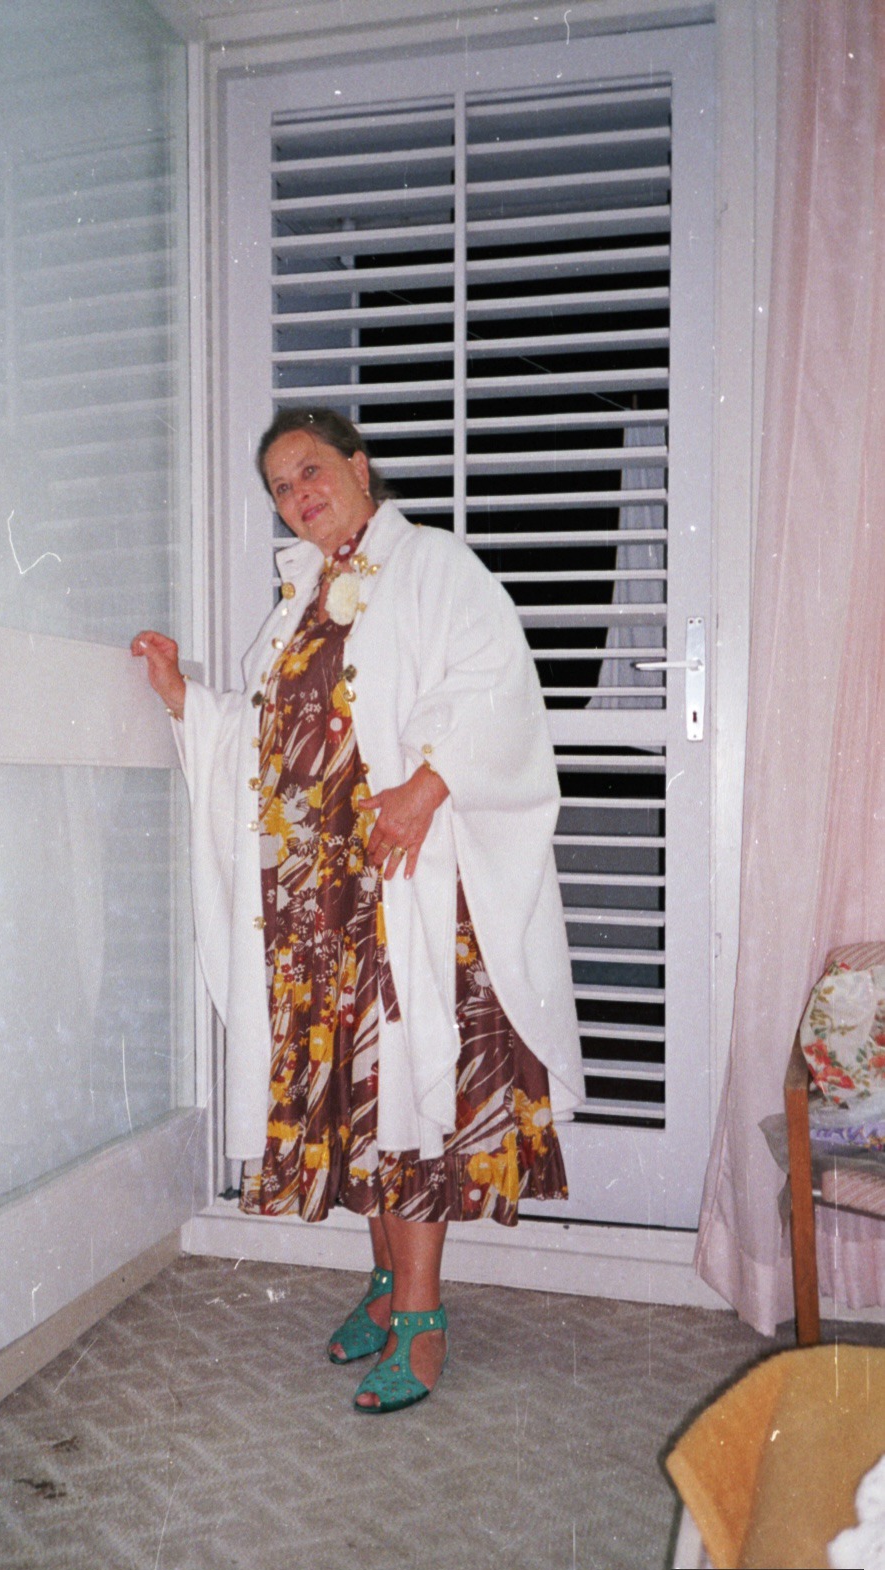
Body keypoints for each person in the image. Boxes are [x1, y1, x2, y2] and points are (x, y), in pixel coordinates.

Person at [133, 407, 584, 1413]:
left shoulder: (433, 567)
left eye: (310, 471)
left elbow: (498, 685)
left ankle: (422, 1320)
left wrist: (426, 790)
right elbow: (256, 737)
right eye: (282, 487)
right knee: (361, 1109)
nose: (299, 494)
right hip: (315, 911)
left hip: (404, 889)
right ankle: (386, 1291)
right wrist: (181, 697)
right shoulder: (297, 602)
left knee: (413, 1098)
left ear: (359, 467)